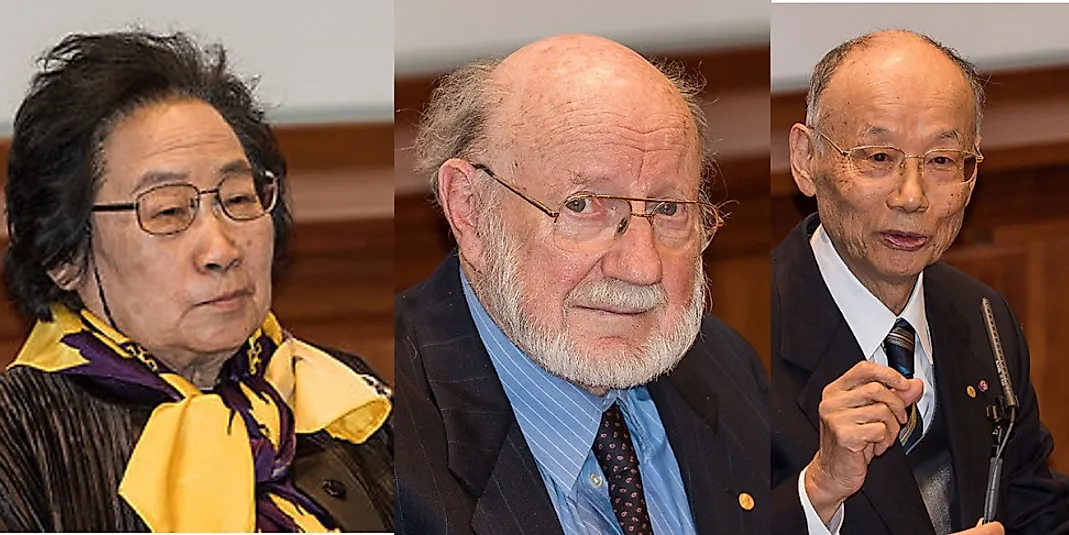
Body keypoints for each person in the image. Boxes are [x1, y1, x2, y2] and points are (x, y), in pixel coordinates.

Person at [0, 30, 394, 532]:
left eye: (238, 198)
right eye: (167, 211)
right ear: (64, 254)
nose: (222, 249)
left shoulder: (338, 393)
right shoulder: (23, 438)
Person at [395, 34, 769, 535]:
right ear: (470, 210)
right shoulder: (389, 438)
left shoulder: (727, 368)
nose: (641, 267)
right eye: (583, 205)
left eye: (668, 209)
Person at [771, 29, 1069, 535]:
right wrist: (817, 490)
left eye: (941, 161)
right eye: (878, 157)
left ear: (972, 174)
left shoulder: (981, 314)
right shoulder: (740, 337)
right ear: (806, 160)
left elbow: (1032, 506)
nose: (912, 197)